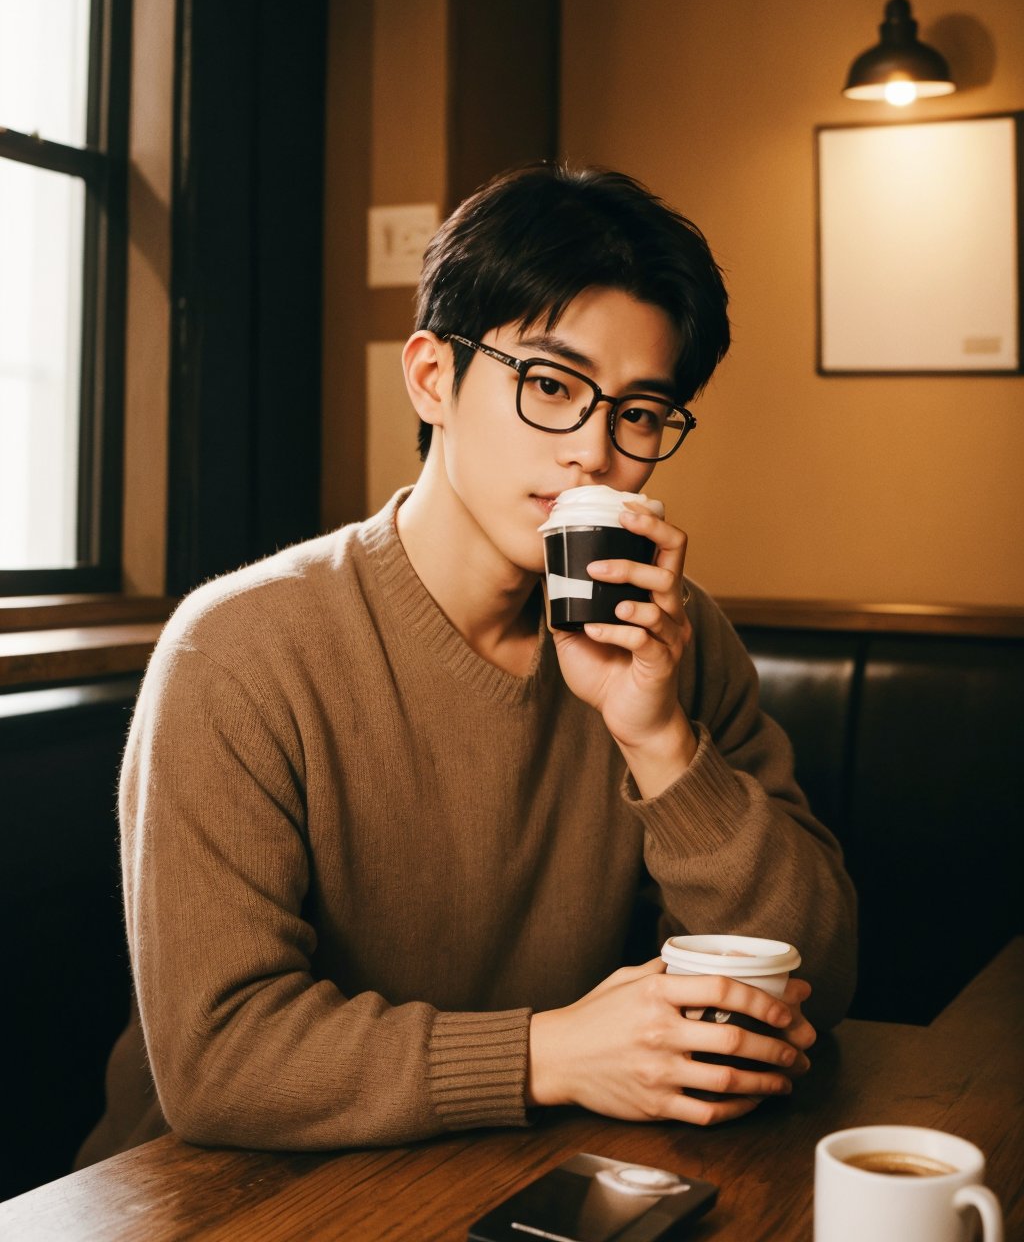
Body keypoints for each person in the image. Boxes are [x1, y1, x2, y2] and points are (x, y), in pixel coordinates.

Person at [78, 162, 856, 1166]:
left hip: (500, 1172)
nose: (593, 450)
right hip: (208, 1192)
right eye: (549, 384)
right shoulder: (236, 649)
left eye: (638, 411)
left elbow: (818, 982)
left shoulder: (673, 641)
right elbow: (219, 1059)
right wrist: (552, 1054)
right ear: (431, 377)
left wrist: (659, 741)